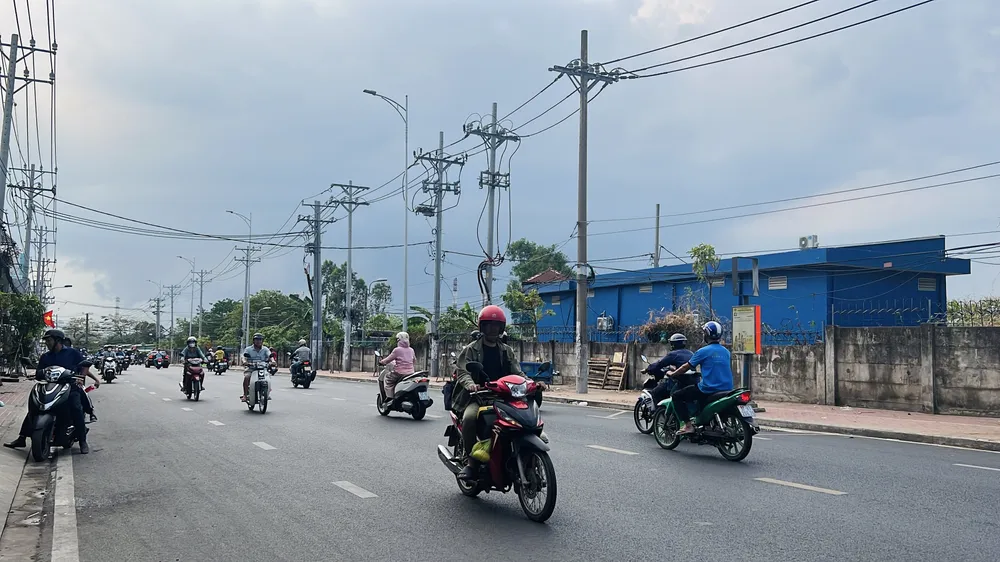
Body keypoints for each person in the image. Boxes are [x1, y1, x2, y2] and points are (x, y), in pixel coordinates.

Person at [452, 305, 535, 481]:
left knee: (524, 420)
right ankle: (471, 463)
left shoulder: (507, 350)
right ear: (482, 327)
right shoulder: (471, 349)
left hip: (504, 395)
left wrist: (530, 383)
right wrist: (471, 385)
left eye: (496, 326)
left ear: (501, 328)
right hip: (479, 396)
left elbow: (517, 372)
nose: (492, 329)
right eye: (489, 325)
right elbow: (463, 371)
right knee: (468, 419)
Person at [4, 329, 95, 454]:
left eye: (49, 340)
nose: (47, 342)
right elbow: (39, 372)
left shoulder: (72, 353)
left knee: (76, 407)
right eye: (46, 340)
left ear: (57, 340)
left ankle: (82, 441)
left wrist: (81, 378)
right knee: (35, 407)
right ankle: (22, 438)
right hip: (49, 386)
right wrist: (37, 375)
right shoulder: (45, 356)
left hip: (69, 386)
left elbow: (85, 365)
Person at [667, 321, 735, 436]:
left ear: (706, 335)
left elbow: (685, 367)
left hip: (708, 389)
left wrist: (673, 374)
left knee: (677, 396)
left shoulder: (703, 351)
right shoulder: (726, 352)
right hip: (727, 388)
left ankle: (688, 426)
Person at [643, 333, 696, 405]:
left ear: (673, 344)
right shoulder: (691, 353)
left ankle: (658, 414)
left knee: (655, 393)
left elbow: (659, 364)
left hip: (677, 382)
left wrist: (647, 369)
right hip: (691, 382)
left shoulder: (673, 354)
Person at [378, 332, 415, 399]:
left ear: (398, 340)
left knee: (388, 379)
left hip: (399, 373)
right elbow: (414, 360)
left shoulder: (397, 350)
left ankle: (389, 397)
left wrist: (381, 362)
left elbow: (388, 359)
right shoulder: (411, 350)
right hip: (411, 373)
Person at [241, 333, 272, 402]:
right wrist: (245, 361)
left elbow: (270, 356)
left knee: (268, 378)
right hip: (251, 368)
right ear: (253, 341)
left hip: (262, 368)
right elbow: (244, 357)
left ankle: (267, 392)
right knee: (247, 377)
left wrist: (273, 361)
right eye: (256, 340)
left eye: (260, 340)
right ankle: (245, 395)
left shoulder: (265, 349)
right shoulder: (248, 349)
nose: (258, 341)